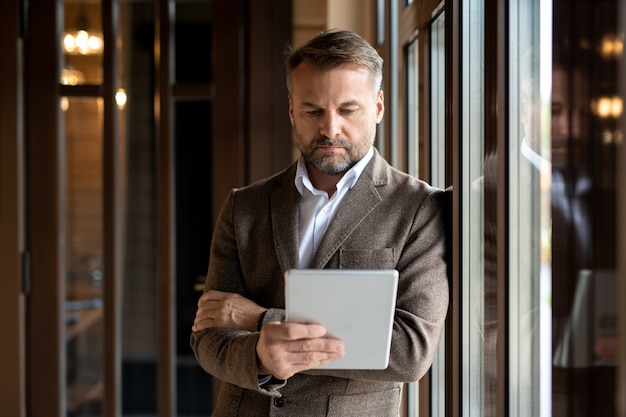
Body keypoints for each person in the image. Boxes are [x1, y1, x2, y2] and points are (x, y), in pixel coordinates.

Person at [190, 29, 449, 417]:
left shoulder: (419, 208)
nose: (330, 129)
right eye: (313, 111)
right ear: (293, 110)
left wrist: (261, 319)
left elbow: (409, 351)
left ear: (377, 106)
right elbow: (208, 336)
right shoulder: (245, 206)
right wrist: (260, 358)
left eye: (347, 110)